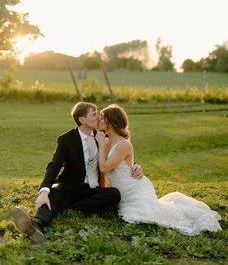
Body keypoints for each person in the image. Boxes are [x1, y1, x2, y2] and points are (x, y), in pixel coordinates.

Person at [12, 102, 143, 244]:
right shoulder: (67, 139)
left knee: (114, 194)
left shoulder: (102, 136)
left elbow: (119, 153)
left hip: (91, 189)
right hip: (69, 185)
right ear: (82, 120)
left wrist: (135, 165)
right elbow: (54, 166)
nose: (98, 117)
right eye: (94, 114)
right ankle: (36, 224)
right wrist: (44, 191)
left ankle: (68, 206)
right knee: (53, 194)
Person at [95, 104, 222, 236]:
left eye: (102, 117)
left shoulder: (124, 144)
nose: (99, 119)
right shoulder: (108, 141)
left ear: (111, 122)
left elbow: (104, 168)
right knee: (131, 215)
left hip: (136, 191)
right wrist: (104, 144)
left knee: (138, 216)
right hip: (123, 191)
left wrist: (101, 144)